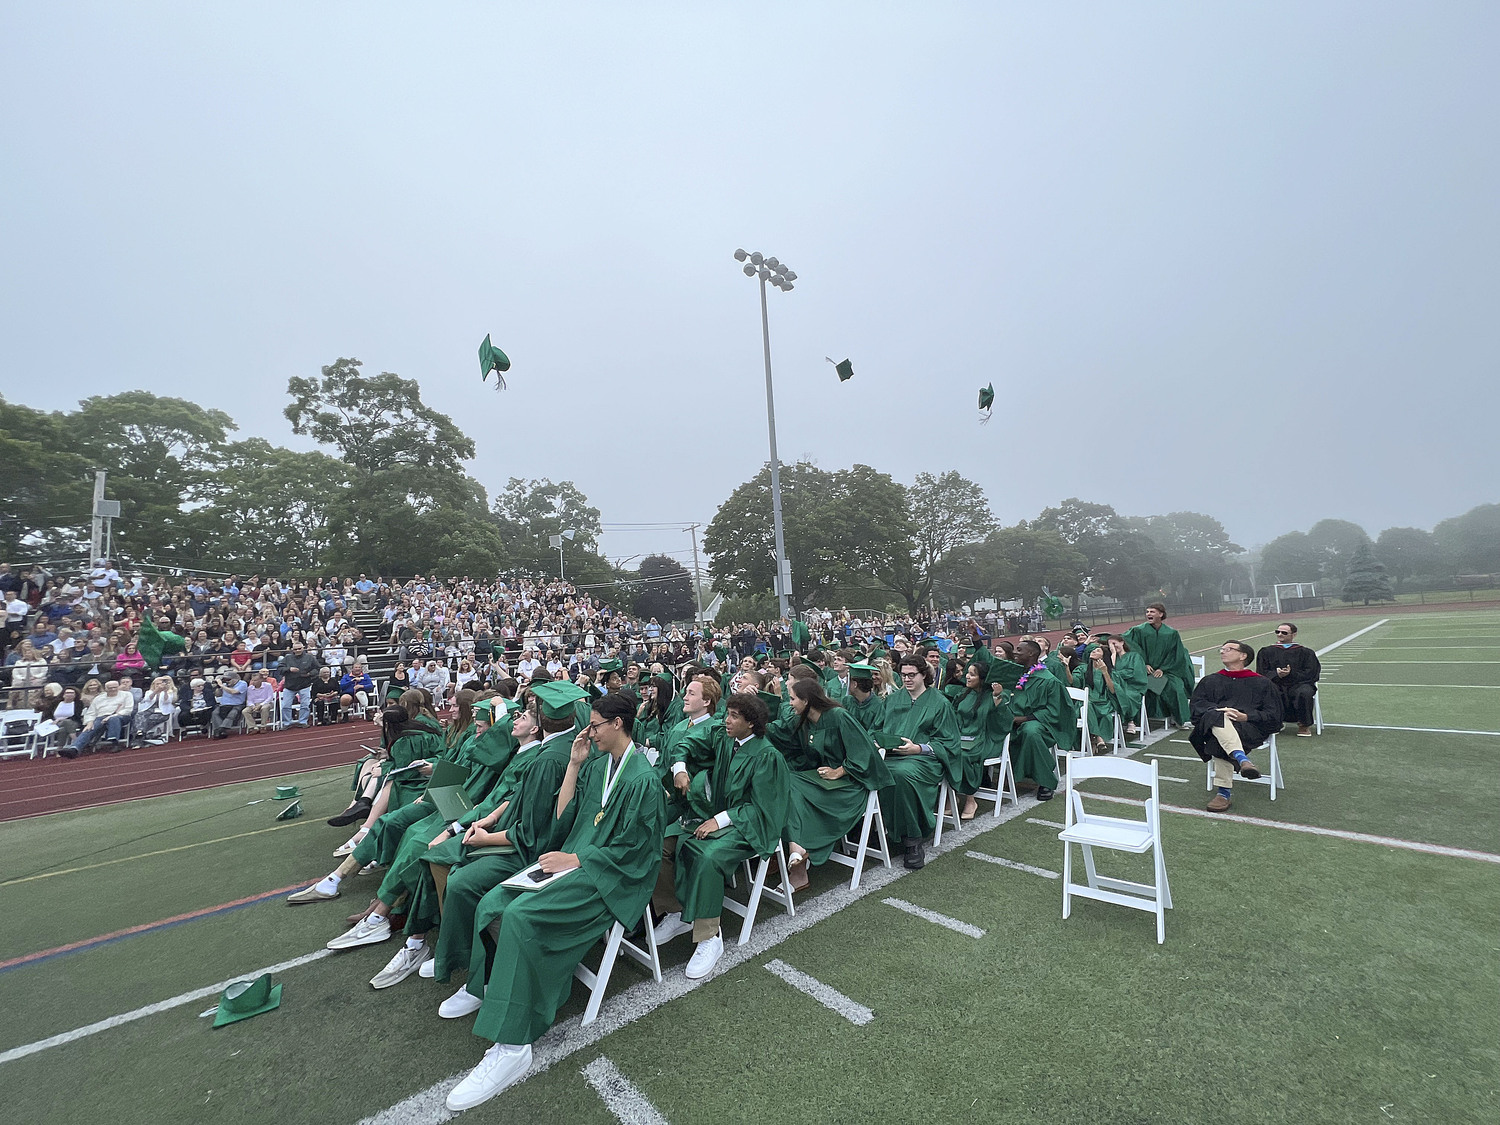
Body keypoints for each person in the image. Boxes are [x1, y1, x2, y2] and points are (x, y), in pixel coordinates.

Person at [442, 690, 665, 1113]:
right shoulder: (599, 766)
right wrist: (575, 763)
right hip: (577, 861)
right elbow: (566, 817)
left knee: (522, 918)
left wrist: (578, 858)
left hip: (609, 878)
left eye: (595, 725)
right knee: (493, 902)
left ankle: (513, 1045)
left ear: (618, 724)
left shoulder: (642, 780)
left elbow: (638, 852)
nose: (589, 731)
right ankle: (494, 981)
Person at [651, 693, 790, 979]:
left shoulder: (767, 756)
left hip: (750, 825)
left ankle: (709, 937)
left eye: (734, 716)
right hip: (716, 817)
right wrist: (679, 768)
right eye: (727, 713)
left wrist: (719, 820)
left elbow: (763, 808)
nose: (725, 720)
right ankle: (678, 910)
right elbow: (687, 743)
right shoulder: (725, 739)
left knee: (707, 856)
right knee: (663, 844)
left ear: (751, 724)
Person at [765, 674, 892, 890]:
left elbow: (865, 753)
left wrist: (840, 771)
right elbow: (781, 735)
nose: (790, 703)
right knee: (783, 783)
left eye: (793, 698)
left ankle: (798, 858)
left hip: (851, 785)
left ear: (806, 701)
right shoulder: (804, 721)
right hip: (821, 780)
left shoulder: (839, 716)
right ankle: (797, 854)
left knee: (792, 789)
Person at [878, 653, 962, 869]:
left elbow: (949, 742)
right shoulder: (893, 699)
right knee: (869, 770)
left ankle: (912, 840)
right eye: (903, 675)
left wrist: (918, 748)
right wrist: (880, 742)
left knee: (902, 775)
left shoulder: (940, 702)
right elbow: (875, 728)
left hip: (925, 760)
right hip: (891, 755)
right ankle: (878, 828)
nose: (906, 679)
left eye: (911, 675)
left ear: (924, 675)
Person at [1190, 641, 1283, 812]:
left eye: (1228, 649)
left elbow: (1274, 715)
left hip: (1249, 728)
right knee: (1216, 718)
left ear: (1243, 656)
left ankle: (1223, 793)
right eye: (1222, 649)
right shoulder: (1210, 680)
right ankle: (1242, 760)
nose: (1222, 652)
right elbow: (1197, 706)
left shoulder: (1262, 683)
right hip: (1216, 725)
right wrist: (1220, 711)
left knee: (1216, 731)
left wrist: (1246, 716)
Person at [1006, 640, 1067, 801]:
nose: (1015, 652)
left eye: (1019, 650)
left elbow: (1055, 711)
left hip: (1042, 724)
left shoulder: (1049, 680)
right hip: (1011, 719)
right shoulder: (1014, 673)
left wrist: (1024, 719)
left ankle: (1045, 780)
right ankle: (983, 776)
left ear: (1032, 654)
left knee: (1030, 731)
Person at [1123, 604, 1196, 729]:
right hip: (1144, 671)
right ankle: (1134, 721)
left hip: (1167, 671)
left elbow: (1176, 654)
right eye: (1147, 612)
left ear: (1161, 614)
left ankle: (1179, 719)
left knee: (1176, 686)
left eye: (1152, 611)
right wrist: (1143, 664)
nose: (1148, 614)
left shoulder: (1171, 633)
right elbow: (1130, 646)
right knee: (1139, 687)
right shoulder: (1138, 630)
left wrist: (1163, 669)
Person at [1079, 635, 1147, 753]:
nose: (1094, 651)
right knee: (1088, 706)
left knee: (1104, 710)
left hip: (1112, 696)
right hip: (1093, 699)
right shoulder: (1086, 669)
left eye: (1097, 650)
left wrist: (1105, 671)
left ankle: (1094, 737)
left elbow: (1113, 688)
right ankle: (1098, 738)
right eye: (1093, 651)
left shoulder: (1117, 667)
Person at [1256, 623, 1320, 736]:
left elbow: (1312, 673)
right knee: (1269, 691)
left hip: (1299, 683)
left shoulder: (1306, 653)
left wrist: (1291, 674)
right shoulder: (1266, 652)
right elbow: (1261, 672)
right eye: (1278, 632)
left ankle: (1304, 725)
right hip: (1275, 682)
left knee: (1304, 692)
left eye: (1284, 633)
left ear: (1293, 635)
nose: (1280, 634)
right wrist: (1277, 674)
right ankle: (1275, 722)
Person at [63, 678, 135, 757]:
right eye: (110, 688)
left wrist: (111, 716)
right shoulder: (99, 698)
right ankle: (74, 748)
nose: (113, 689)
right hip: (100, 717)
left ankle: (114, 743)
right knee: (90, 728)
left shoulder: (127, 695)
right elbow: (91, 712)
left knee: (113, 719)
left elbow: (128, 709)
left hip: (120, 716)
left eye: (115, 687)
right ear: (106, 689)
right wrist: (89, 722)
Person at [279, 639, 318, 727]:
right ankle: (286, 723)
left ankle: (303, 722)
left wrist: (309, 674)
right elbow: (280, 668)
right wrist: (289, 669)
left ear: (303, 648)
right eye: (295, 649)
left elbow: (317, 668)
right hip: (289, 685)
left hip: (304, 684)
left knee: (305, 705)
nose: (297, 651)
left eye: (299, 648)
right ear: (293, 649)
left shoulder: (310, 657)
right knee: (285, 706)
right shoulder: (287, 658)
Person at [211, 671, 247, 738]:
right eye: (225, 679)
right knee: (215, 713)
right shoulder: (225, 685)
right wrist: (218, 687)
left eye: (228, 679)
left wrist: (222, 686)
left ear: (235, 679)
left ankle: (221, 729)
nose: (227, 681)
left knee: (233, 713)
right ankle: (219, 731)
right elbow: (218, 694)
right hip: (223, 705)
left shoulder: (242, 683)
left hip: (237, 704)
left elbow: (234, 692)